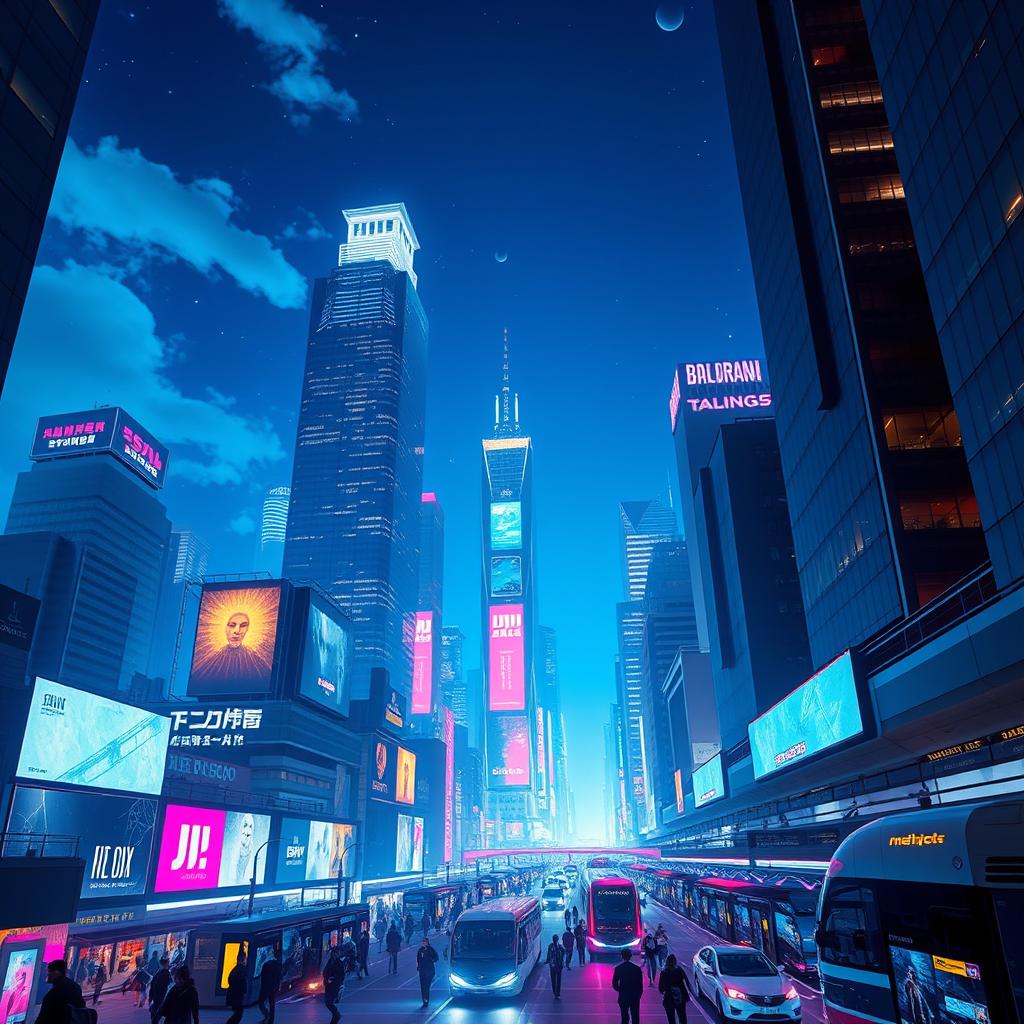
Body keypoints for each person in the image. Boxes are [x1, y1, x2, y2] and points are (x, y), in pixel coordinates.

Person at [35, 960, 85, 1024]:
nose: (47, 975)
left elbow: (43, 1018)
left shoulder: (53, 994)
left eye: (49, 972)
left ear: (56, 973)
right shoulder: (75, 986)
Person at [612, 949, 644, 1024]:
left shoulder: (618, 968)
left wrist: (620, 990)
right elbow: (640, 984)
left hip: (623, 995)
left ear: (622, 956)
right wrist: (639, 994)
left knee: (624, 1017)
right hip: (634, 995)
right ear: (630, 956)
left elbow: (614, 983)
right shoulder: (637, 969)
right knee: (635, 1016)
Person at [658, 954, 690, 1024]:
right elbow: (686, 983)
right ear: (675, 961)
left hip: (668, 997)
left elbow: (661, 988)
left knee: (671, 1019)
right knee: (682, 1016)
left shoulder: (664, 972)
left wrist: (666, 991)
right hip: (680, 997)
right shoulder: (679, 970)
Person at [256, 948, 281, 1024]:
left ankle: (267, 1015)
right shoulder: (278, 965)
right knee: (272, 1003)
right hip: (273, 987)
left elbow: (262, 976)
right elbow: (278, 977)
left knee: (261, 1002)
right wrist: (277, 987)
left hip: (265, 987)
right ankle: (271, 1020)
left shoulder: (266, 964)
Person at [322, 948, 344, 1024]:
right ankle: (336, 1015)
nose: (335, 955)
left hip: (334, 986)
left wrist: (333, 979)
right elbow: (325, 971)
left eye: (337, 953)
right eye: (334, 953)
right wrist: (326, 978)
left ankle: (336, 1015)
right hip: (328, 985)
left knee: (329, 1002)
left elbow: (341, 976)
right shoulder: (330, 961)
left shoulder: (339, 963)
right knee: (328, 1002)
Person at [225, 950, 246, 1024]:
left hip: (233, 996)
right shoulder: (241, 969)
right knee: (238, 1014)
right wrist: (242, 992)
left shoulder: (235, 969)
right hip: (236, 996)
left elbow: (229, 979)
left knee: (238, 1013)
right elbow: (241, 982)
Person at [416, 938, 439, 1007]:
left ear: (427, 942)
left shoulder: (431, 949)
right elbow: (418, 959)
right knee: (423, 986)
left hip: (429, 971)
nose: (423, 943)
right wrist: (418, 967)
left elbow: (436, 958)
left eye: (425, 942)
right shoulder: (420, 950)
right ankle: (424, 1000)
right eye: (423, 942)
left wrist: (432, 960)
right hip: (422, 971)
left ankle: (426, 1000)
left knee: (427, 986)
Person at [149, 958, 172, 1024]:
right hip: (161, 995)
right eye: (167, 963)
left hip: (157, 995)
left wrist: (151, 996)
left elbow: (153, 984)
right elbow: (168, 984)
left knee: (156, 1010)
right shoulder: (165, 973)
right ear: (166, 964)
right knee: (158, 1010)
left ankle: (154, 1021)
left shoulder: (159, 972)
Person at [545, 936, 564, 1000]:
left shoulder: (559, 947)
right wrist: (548, 960)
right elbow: (549, 954)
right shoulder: (552, 946)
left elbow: (563, 953)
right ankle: (555, 992)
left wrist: (548, 960)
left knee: (557, 980)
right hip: (553, 965)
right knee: (554, 980)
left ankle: (557, 993)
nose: (554, 940)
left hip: (557, 966)